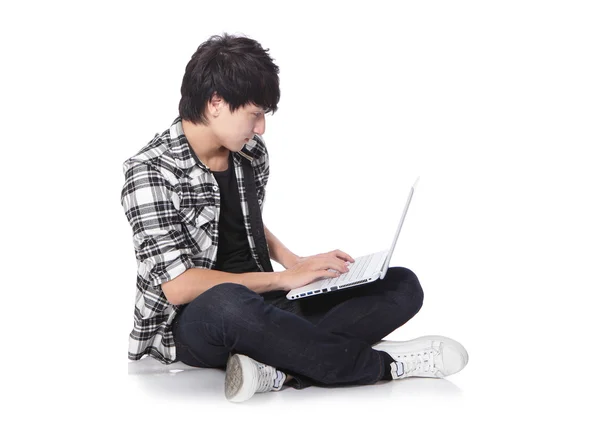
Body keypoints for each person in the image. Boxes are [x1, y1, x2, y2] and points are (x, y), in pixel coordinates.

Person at [120, 33, 468, 403]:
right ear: (216, 102)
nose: (261, 128)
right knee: (230, 303)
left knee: (401, 285)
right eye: (254, 114)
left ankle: (277, 370)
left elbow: (244, 223)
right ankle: (385, 365)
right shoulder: (149, 172)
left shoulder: (249, 152)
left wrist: (295, 263)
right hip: (198, 321)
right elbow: (180, 286)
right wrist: (282, 278)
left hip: (268, 305)